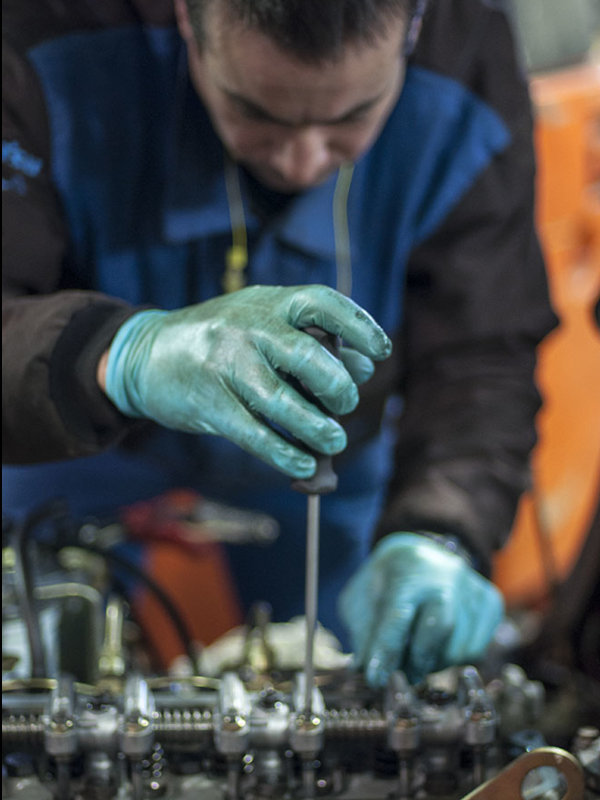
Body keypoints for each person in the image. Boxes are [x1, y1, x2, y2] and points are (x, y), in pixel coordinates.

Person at [2, 0, 557, 687]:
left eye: (351, 118)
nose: (301, 162)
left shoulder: (466, 52)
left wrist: (442, 528)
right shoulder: (39, 39)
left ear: (413, 29)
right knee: (37, 658)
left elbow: (483, 348)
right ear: (186, 19)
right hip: (71, 425)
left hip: (328, 463)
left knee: (367, 676)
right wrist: (125, 354)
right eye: (256, 113)